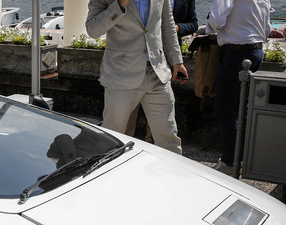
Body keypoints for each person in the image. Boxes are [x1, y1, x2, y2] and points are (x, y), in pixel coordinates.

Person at [86, 0, 188, 155]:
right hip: (121, 75)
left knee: (169, 140)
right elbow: (92, 30)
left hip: (157, 73)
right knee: (113, 140)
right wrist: (120, 4)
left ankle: (171, 178)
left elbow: (167, 25)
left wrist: (177, 61)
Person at [207, 0, 270, 175]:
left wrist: (209, 27)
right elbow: (267, 29)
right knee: (245, 108)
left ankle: (230, 163)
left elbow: (217, 21)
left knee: (227, 108)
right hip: (256, 51)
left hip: (236, 52)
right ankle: (242, 158)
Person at [126, 0, 197, 140]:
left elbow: (193, 24)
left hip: (165, 57)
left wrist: (175, 28)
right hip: (134, 58)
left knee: (161, 119)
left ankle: (152, 144)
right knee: (128, 114)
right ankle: (125, 145)